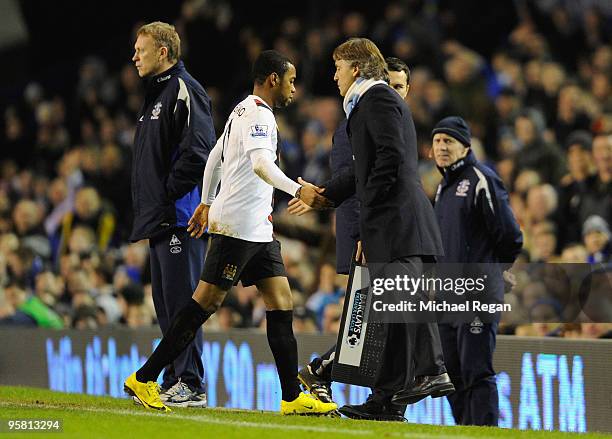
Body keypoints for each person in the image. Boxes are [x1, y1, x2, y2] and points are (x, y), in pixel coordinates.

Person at [124, 50, 337, 416]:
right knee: (204, 304)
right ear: (273, 79)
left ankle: (291, 396)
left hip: (257, 229)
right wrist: (296, 189)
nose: (293, 88)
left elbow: (215, 157)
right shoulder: (258, 115)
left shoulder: (241, 109)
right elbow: (260, 164)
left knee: (281, 302)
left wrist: (206, 201)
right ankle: (145, 377)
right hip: (238, 227)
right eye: (291, 80)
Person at [296, 39, 449, 421]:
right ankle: (388, 402)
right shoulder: (370, 103)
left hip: (397, 223)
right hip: (398, 222)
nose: (334, 75)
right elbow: (364, 170)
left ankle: (429, 373)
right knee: (393, 314)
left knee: (399, 309)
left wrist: (369, 218)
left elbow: (389, 160)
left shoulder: (376, 99)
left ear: (358, 69)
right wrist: (325, 195)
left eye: (338, 67)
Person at [129, 21, 216, 407]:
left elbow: (201, 151)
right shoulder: (158, 93)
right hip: (159, 216)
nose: (134, 56)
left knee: (183, 304)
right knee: (166, 306)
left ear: (162, 52)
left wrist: (166, 193)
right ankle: (171, 378)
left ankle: (191, 382)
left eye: (141, 50)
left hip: (179, 215)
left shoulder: (184, 89)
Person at [421, 116, 523, 425]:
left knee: (476, 369)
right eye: (437, 141)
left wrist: (493, 270)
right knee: (450, 373)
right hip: (446, 298)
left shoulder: (482, 179)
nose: (441, 147)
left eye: (448, 141)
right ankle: (466, 430)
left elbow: (510, 235)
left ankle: (486, 431)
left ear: (466, 146)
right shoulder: (442, 189)